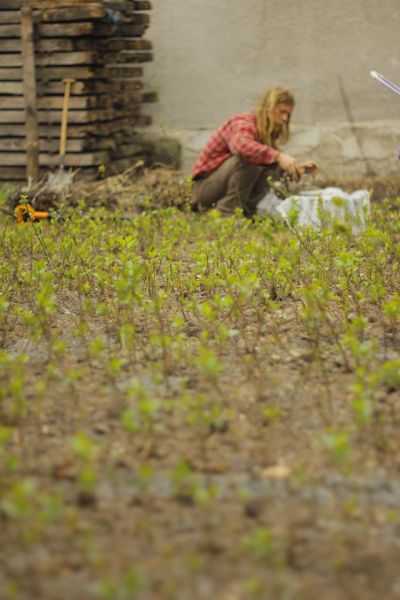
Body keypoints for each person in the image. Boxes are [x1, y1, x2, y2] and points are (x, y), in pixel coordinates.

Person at [191, 86, 318, 216]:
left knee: (267, 161)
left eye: (288, 115)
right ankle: (227, 211)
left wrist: (296, 168)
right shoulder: (243, 122)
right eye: (282, 112)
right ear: (269, 107)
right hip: (204, 190)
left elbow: (270, 159)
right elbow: (241, 146)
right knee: (251, 157)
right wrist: (278, 156)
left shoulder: (262, 133)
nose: (285, 118)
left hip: (218, 186)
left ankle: (247, 212)